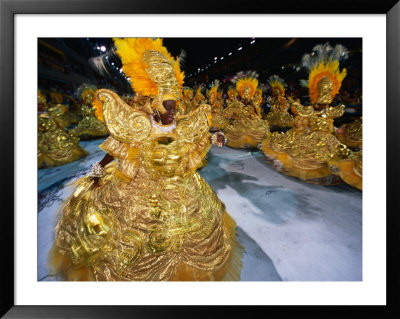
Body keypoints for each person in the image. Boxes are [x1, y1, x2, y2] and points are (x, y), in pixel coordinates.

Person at [48, 38, 243, 281]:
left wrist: (218, 137)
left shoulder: (180, 125)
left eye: (174, 107)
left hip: (177, 183)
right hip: (139, 184)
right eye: (168, 107)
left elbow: (201, 138)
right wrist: (98, 168)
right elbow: (119, 148)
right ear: (157, 104)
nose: (172, 112)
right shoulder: (141, 125)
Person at [260, 43, 361, 188]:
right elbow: (302, 118)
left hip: (330, 141)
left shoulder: (331, 111)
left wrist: (337, 130)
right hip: (312, 139)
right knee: (303, 153)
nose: (322, 105)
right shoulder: (310, 111)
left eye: (325, 102)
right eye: (320, 102)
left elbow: (332, 125)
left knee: (340, 155)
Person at [223, 73, 270, 148]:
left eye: (248, 94)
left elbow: (258, 115)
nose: (246, 97)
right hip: (241, 123)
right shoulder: (239, 103)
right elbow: (235, 113)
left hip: (252, 123)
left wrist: (253, 108)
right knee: (235, 130)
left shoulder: (253, 103)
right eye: (244, 94)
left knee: (259, 130)